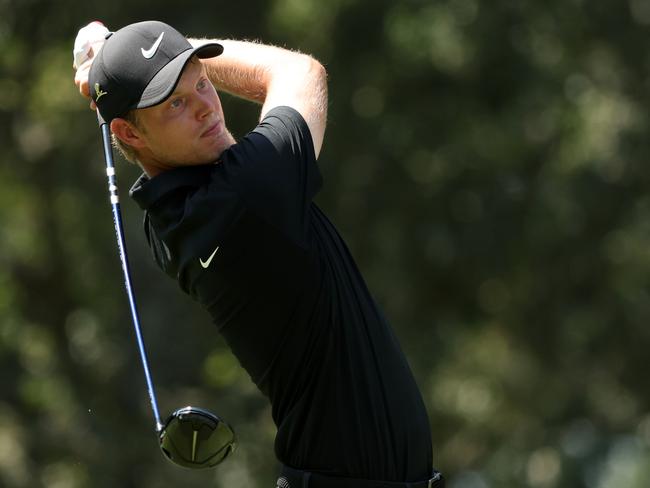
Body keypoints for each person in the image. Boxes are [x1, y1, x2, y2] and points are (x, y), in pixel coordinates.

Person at [73, 20, 444, 488]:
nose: (207, 109)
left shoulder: (166, 213)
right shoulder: (247, 195)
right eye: (176, 104)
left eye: (202, 83)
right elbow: (299, 71)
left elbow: (202, 146)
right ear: (129, 134)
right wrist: (174, 48)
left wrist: (131, 61)